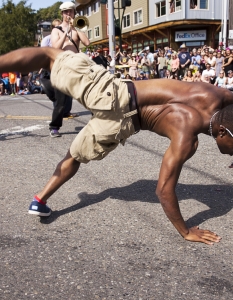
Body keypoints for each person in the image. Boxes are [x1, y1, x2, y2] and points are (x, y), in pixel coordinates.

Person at [2, 47, 233, 245]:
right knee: (74, 156)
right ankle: (40, 199)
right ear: (222, 131)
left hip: (115, 91)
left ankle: (40, 200)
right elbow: (163, 190)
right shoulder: (187, 139)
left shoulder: (218, 94)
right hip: (118, 112)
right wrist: (186, 231)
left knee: (50, 55)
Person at [49, 1, 90, 137]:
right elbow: (56, 47)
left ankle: (98, 121)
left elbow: (87, 43)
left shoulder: (77, 29)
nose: (68, 14)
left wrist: (76, 29)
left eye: (71, 11)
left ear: (74, 13)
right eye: (66, 12)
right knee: (60, 101)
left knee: (88, 92)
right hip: (62, 67)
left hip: (76, 66)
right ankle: (54, 127)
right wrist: (65, 33)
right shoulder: (56, 30)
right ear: (62, 14)